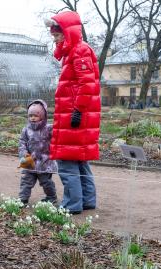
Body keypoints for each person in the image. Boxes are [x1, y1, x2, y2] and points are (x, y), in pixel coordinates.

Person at [45, 11, 101, 214]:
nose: (56, 39)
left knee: (67, 160)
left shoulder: (79, 51)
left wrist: (77, 111)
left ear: (68, 32)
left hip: (74, 116)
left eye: (58, 35)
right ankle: (87, 200)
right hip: (76, 115)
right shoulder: (76, 51)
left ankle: (71, 204)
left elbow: (87, 84)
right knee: (79, 160)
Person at [18, 99, 58, 206]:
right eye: (30, 116)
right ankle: (23, 199)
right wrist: (24, 154)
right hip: (29, 160)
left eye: (36, 115)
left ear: (43, 116)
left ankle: (51, 197)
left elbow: (57, 138)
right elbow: (22, 142)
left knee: (46, 182)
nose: (33, 118)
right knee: (26, 181)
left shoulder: (49, 128)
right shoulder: (26, 130)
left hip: (45, 161)